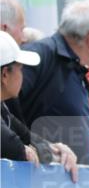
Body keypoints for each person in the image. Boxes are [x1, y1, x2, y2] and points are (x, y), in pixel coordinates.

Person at [14, 0, 89, 164]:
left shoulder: (75, 66)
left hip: (60, 181)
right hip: (33, 178)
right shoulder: (39, 55)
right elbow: (5, 112)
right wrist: (40, 146)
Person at [1, 31, 78, 180]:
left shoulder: (3, 109)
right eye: (21, 69)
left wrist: (56, 151)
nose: (23, 76)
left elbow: (26, 135)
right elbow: (10, 143)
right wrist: (21, 149)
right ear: (5, 74)